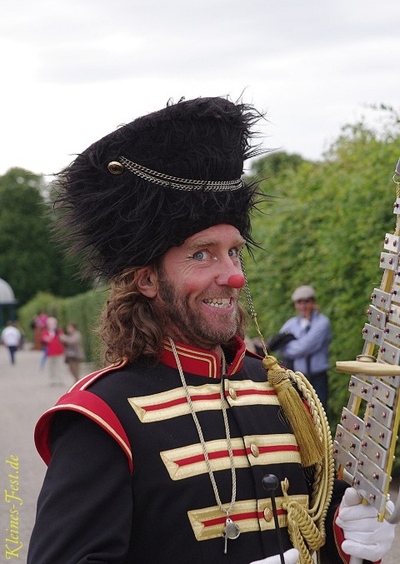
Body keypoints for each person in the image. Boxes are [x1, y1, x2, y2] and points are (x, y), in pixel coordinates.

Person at [27, 97, 395, 564]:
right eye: (202, 254)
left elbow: (319, 528)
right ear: (146, 278)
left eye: (234, 252)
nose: (234, 275)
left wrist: (350, 542)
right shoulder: (101, 415)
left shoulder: (287, 394)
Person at [267, 286, 331, 411]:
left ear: (313, 302)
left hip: (316, 378)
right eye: (299, 302)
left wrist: (289, 346)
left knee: (318, 413)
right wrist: (292, 347)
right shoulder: (292, 323)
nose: (303, 306)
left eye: (306, 301)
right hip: (295, 377)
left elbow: (303, 347)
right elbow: (277, 344)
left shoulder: (322, 322)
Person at [40, 316, 65, 386]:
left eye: (53, 323)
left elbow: (63, 339)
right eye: (50, 324)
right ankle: (53, 380)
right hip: (50, 352)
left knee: (60, 366)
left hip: (59, 351)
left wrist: (62, 337)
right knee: (51, 367)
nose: (52, 325)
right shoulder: (45, 331)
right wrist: (46, 339)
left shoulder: (59, 331)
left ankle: (60, 380)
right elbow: (42, 340)